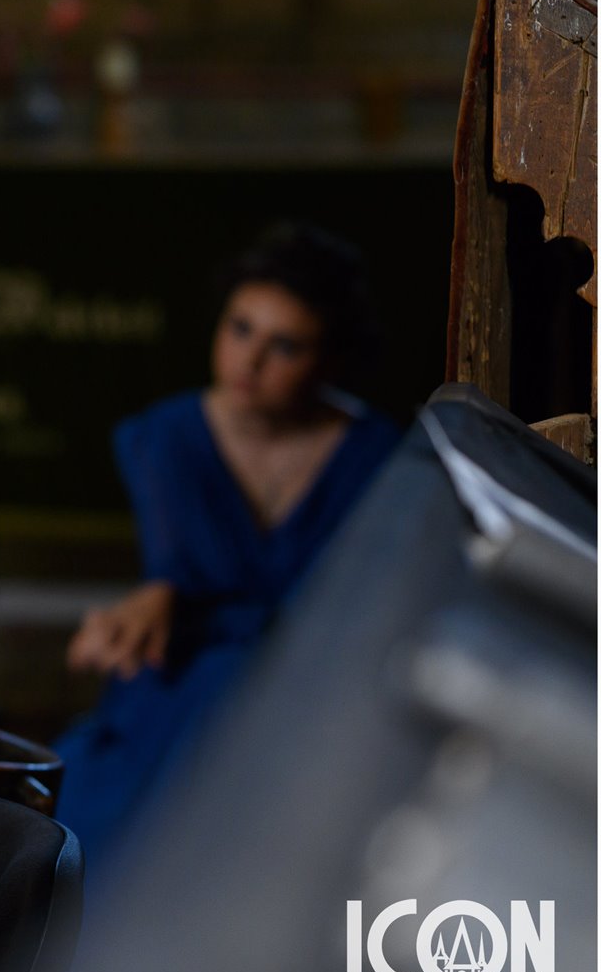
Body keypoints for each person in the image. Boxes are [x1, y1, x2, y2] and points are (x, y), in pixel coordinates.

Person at [53, 223, 401, 878]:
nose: (250, 360)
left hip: (314, 685)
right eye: (240, 329)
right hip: (188, 674)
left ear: (328, 361)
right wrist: (141, 607)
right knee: (110, 828)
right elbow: (172, 571)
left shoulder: (378, 452)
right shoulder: (166, 436)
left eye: (285, 345)